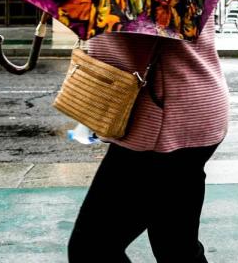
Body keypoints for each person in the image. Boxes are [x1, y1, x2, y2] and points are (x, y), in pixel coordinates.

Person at [68, 17, 226, 262]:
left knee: (92, 247)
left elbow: (127, 55)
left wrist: (87, 22)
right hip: (198, 107)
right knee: (175, 246)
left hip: (162, 122)